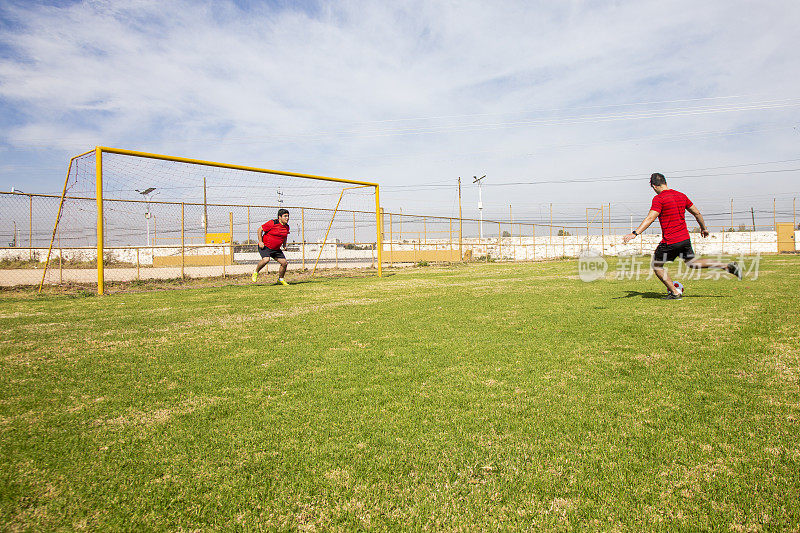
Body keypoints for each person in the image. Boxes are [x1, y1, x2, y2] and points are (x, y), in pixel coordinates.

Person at [623, 173, 741, 299]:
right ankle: (726, 266)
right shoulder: (681, 195)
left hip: (670, 241)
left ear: (653, 186)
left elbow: (651, 217)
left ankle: (675, 292)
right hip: (684, 239)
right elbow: (697, 213)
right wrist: (703, 228)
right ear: (665, 182)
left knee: (657, 265)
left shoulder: (659, 199)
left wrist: (635, 233)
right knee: (693, 263)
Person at [252, 208, 290, 286]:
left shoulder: (287, 227)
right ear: (279, 217)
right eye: (285, 216)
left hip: (276, 249)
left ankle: (281, 279)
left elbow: (285, 236)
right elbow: (260, 229)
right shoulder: (272, 223)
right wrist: (260, 241)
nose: (287, 218)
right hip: (265, 246)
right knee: (266, 259)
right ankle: (256, 272)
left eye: (288, 216)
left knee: (284, 263)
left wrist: (284, 245)